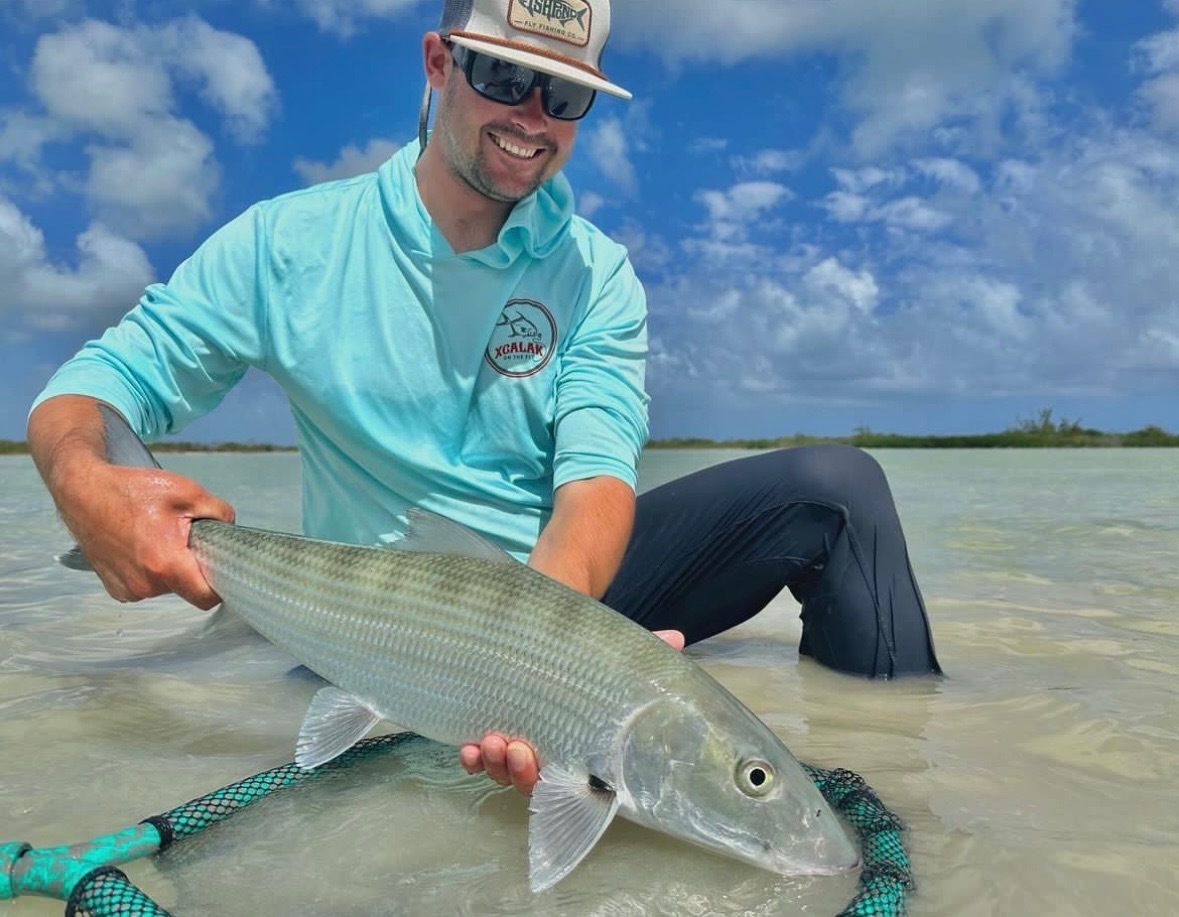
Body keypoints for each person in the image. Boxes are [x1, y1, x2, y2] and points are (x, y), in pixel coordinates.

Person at [27, 0, 940, 800]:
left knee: (838, 488)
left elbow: (594, 481)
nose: (532, 117)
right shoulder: (286, 244)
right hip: (376, 614)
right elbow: (97, 387)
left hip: (557, 590)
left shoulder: (595, 274)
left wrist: (546, 665)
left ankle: (897, 790)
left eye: (565, 95)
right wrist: (86, 485)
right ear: (438, 63)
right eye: (505, 75)